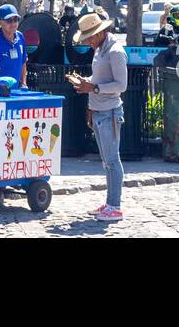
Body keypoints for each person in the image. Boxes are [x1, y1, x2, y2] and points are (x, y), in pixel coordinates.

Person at [67, 11, 127, 222]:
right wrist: (85, 82)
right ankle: (110, 203)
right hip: (100, 111)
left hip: (109, 111)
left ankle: (115, 206)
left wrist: (94, 88)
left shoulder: (115, 51)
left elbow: (121, 85)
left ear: (100, 33)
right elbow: (100, 78)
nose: (88, 42)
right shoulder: (102, 49)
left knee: (112, 160)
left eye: (90, 37)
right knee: (107, 161)